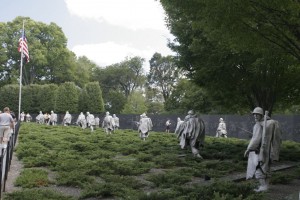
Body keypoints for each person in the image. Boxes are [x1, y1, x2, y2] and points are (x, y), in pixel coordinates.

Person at [244, 107, 282, 192]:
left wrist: (248, 149)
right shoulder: (269, 124)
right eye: (254, 114)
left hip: (259, 152)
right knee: (266, 168)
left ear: (261, 115)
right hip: (267, 151)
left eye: (257, 114)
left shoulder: (258, 125)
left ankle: (263, 186)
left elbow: (255, 140)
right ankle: (266, 186)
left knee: (259, 169)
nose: (255, 116)